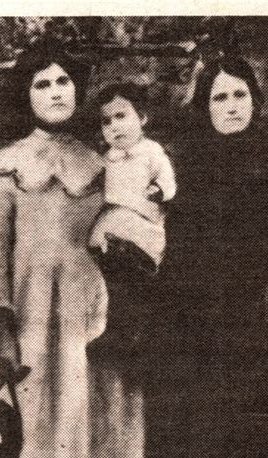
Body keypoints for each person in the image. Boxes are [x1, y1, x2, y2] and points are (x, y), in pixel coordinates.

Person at [0, 39, 145, 458]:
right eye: (42, 84)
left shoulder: (107, 164)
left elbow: (137, 235)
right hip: (28, 319)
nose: (55, 93)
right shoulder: (5, 167)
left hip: (92, 322)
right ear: (27, 95)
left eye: (64, 83)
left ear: (79, 89)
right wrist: (1, 328)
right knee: (31, 432)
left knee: (97, 429)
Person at [148, 56, 268, 458]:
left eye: (240, 96)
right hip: (193, 330)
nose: (231, 108)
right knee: (193, 452)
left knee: (249, 454)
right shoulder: (184, 171)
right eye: (220, 98)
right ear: (204, 107)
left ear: (255, 101)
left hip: (254, 329)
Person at [86, 82, 176, 366]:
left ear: (142, 118)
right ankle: (116, 331)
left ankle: (137, 333)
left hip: (141, 225)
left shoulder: (151, 152)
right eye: (106, 121)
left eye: (121, 116)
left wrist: (159, 190)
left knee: (137, 283)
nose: (114, 126)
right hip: (114, 223)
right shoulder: (106, 158)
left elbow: (168, 180)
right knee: (114, 285)